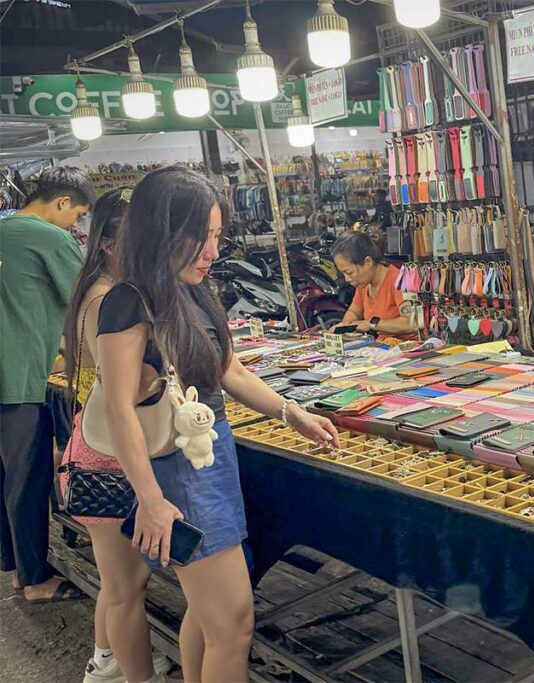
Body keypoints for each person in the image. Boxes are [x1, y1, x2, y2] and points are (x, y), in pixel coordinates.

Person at [97, 167, 338, 682]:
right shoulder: (129, 301)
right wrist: (151, 499)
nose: (212, 250)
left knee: (209, 623)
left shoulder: (194, 291)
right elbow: (119, 408)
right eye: (200, 237)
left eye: (216, 237)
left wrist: (291, 413)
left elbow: (230, 369)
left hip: (213, 453)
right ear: (162, 231)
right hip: (178, 470)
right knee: (233, 626)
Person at [58, 187, 174, 683]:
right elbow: (126, 387)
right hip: (108, 455)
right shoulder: (111, 299)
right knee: (127, 586)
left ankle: (107, 658)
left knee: (120, 582)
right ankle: (133, 674)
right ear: (108, 242)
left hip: (97, 445)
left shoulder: (96, 290)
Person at [0, 166, 94, 603]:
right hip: (17, 376)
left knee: (6, 477)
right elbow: (89, 299)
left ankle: (16, 567)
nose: (74, 226)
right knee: (29, 478)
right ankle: (36, 580)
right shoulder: (48, 237)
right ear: (60, 203)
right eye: (76, 216)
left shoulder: (4, 229)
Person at [330, 231, 417, 339]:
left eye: (350, 273)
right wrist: (345, 325)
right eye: (343, 273)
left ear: (368, 262)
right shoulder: (363, 283)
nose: (347, 279)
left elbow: (411, 323)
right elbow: (354, 312)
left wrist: (371, 324)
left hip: (405, 347)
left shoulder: (399, 281)